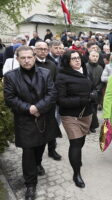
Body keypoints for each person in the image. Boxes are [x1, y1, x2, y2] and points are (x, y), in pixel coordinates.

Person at [4, 46, 60, 200]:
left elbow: (52, 93)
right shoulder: (10, 76)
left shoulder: (46, 73)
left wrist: (38, 107)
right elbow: (10, 98)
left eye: (29, 57)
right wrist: (29, 108)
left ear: (34, 57)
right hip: (24, 119)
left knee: (40, 147)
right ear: (17, 59)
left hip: (43, 117)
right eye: (23, 58)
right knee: (28, 152)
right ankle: (30, 184)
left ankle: (38, 163)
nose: (27, 60)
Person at [55, 50, 95, 188]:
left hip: (86, 114)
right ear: (67, 61)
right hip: (70, 116)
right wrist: (83, 99)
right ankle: (76, 173)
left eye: (78, 58)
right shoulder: (62, 76)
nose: (77, 60)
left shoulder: (85, 71)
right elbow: (61, 100)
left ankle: (76, 160)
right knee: (76, 143)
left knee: (81, 140)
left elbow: (92, 87)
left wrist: (94, 94)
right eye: (73, 59)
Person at [34, 41, 62, 161]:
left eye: (45, 49)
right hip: (36, 104)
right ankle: (37, 161)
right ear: (35, 50)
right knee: (38, 132)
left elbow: (56, 83)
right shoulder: (31, 63)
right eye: (40, 49)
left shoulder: (52, 64)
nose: (43, 51)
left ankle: (52, 150)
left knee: (52, 129)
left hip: (50, 103)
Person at [86, 50, 104, 133]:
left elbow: (102, 81)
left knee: (94, 110)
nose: (95, 58)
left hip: (97, 92)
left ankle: (92, 126)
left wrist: (98, 89)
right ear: (89, 56)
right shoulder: (85, 66)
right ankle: (86, 127)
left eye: (96, 56)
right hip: (87, 91)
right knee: (87, 110)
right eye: (93, 56)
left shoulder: (100, 68)